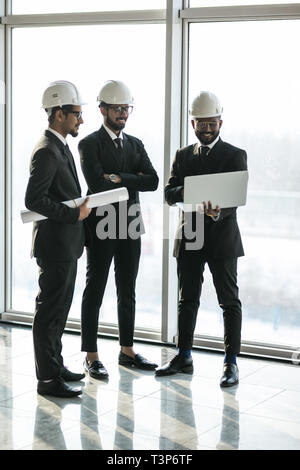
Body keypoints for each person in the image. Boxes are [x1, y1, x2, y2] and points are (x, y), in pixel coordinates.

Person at [156, 91, 247, 387]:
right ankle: (184, 355)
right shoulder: (183, 156)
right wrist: (186, 192)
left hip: (222, 237)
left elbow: (235, 198)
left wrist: (218, 210)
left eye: (212, 124)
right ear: (192, 123)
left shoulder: (235, 155)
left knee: (228, 301)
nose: (207, 130)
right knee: (187, 300)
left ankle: (231, 363)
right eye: (201, 125)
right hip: (191, 233)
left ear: (220, 122)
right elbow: (169, 194)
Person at [79, 80, 159, 379]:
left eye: (126, 108)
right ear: (103, 110)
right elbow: (97, 183)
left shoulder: (135, 144)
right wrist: (129, 178)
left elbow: (152, 180)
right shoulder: (88, 144)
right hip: (101, 225)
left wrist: (118, 177)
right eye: (117, 108)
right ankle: (91, 355)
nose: (123, 113)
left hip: (130, 225)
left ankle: (127, 351)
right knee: (95, 289)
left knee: (128, 290)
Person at [25, 80, 91, 397]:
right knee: (49, 313)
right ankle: (48, 380)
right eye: (76, 113)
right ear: (59, 113)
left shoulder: (60, 146)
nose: (81, 119)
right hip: (55, 246)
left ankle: (56, 365)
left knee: (59, 312)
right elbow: (34, 200)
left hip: (66, 245)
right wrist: (73, 214)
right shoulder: (47, 151)